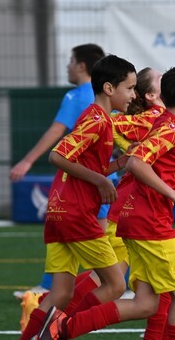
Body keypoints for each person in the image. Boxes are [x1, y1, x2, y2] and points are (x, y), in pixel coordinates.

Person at [32, 66, 175, 340]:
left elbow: (149, 164)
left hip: (138, 220)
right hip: (149, 223)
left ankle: (63, 328)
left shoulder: (167, 125)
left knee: (146, 303)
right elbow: (137, 162)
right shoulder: (171, 128)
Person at [0, 54, 138, 340]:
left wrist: (118, 164)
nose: (133, 95)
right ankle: (57, 337)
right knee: (115, 284)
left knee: (60, 292)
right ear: (109, 88)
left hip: (59, 213)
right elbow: (57, 155)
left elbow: (87, 164)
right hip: (76, 214)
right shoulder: (96, 118)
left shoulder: (103, 121)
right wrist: (101, 181)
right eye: (130, 88)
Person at [9, 43, 106, 298]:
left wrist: (27, 161)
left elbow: (56, 131)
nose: (67, 66)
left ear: (81, 66)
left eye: (71, 61)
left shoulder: (77, 96)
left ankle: (117, 287)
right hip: (105, 175)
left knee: (92, 235)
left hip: (84, 179)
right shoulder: (106, 96)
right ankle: (51, 287)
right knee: (84, 233)